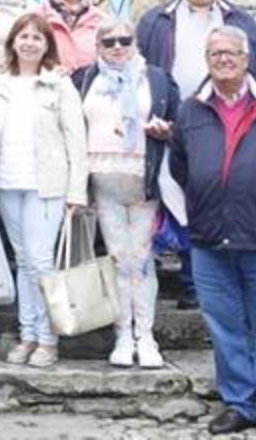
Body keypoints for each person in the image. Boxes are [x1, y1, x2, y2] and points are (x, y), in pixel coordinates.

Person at [169, 25, 256, 440]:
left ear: (247, 58)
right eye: (215, 54)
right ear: (207, 60)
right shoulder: (190, 110)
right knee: (224, 325)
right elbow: (181, 168)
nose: (223, 59)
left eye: (231, 52)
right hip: (210, 239)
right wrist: (207, 200)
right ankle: (239, 403)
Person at [137, 0, 256, 309]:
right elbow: (142, 70)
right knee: (175, 195)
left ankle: (208, 282)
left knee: (213, 197)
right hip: (171, 121)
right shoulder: (156, 20)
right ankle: (190, 280)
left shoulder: (239, 21)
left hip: (226, 123)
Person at [0, 12, 86, 368]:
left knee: (41, 261)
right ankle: (27, 333)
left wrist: (76, 191)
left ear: (46, 46)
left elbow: (76, 140)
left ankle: (47, 338)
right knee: (23, 260)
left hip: (47, 184)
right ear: (12, 43)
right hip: (7, 182)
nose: (29, 42)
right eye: (22, 37)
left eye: (36, 38)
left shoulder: (59, 85)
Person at [72, 19, 179, 369]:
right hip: (103, 184)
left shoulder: (157, 79)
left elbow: (180, 125)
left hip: (142, 181)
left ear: (135, 42)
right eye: (108, 42)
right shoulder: (85, 78)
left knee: (142, 260)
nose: (117, 47)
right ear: (98, 46)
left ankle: (145, 335)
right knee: (119, 259)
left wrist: (166, 131)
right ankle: (122, 334)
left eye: (124, 40)